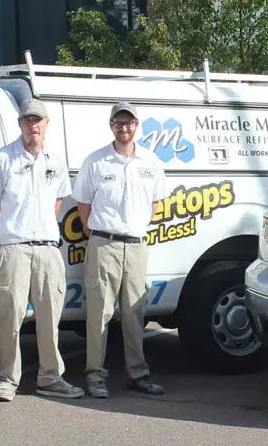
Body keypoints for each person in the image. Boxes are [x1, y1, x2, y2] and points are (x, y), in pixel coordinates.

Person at [0, 99, 84, 402]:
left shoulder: (56, 159)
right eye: (28, 120)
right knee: (9, 317)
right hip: (13, 247)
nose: (33, 126)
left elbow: (57, 202)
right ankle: (7, 380)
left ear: (47, 124)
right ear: (20, 124)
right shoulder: (1, 159)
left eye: (38, 120)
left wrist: (41, 228)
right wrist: (10, 233)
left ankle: (51, 378)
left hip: (47, 248)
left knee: (50, 318)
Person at [72, 102, 168, 399]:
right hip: (104, 244)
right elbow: (83, 206)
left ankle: (138, 375)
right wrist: (100, 234)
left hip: (137, 245)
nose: (123, 127)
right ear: (111, 125)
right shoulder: (96, 161)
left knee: (134, 314)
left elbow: (155, 204)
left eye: (129, 122)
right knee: (99, 313)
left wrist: (132, 228)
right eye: (118, 122)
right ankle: (95, 376)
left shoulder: (151, 162)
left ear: (137, 125)